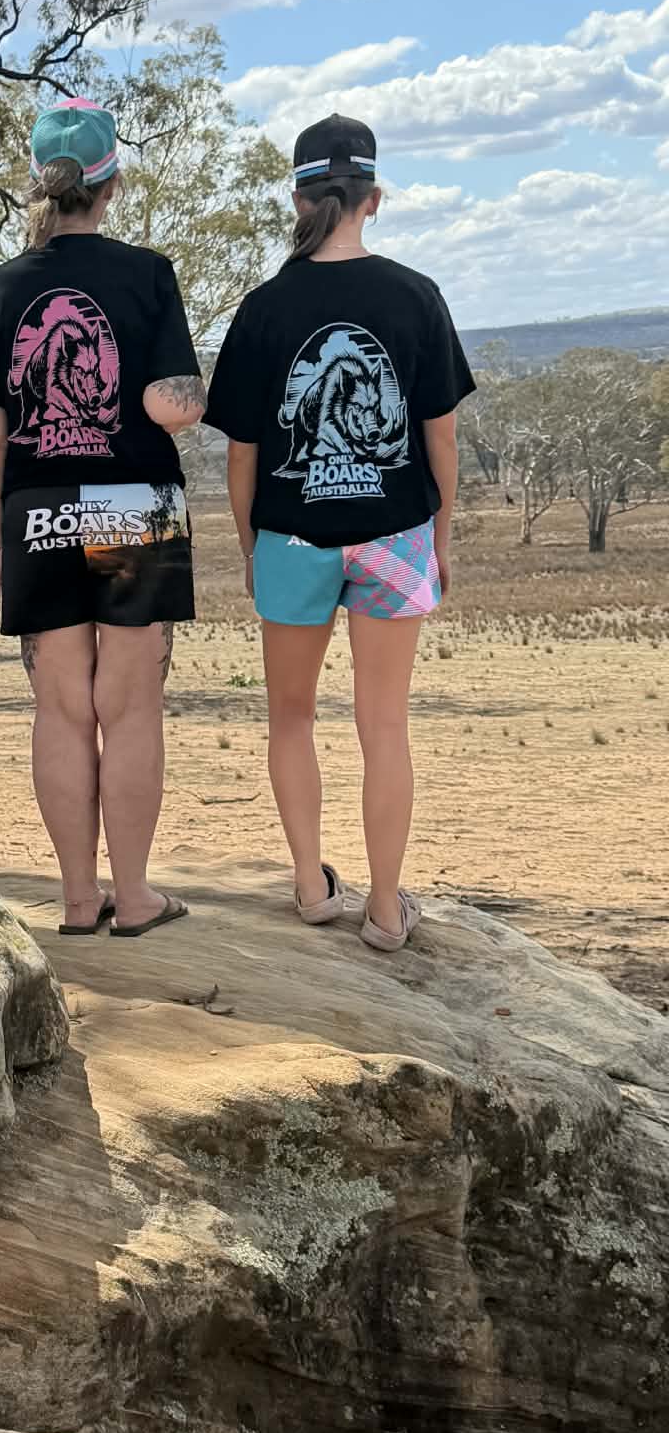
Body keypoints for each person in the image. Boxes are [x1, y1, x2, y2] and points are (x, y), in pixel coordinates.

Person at [205, 115, 475, 953]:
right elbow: (440, 438)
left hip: (290, 537)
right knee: (383, 724)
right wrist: (442, 531)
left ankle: (310, 883)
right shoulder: (415, 295)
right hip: (394, 534)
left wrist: (251, 548)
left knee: (290, 717)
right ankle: (387, 908)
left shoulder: (262, 309)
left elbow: (241, 455)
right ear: (375, 199)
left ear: (299, 198)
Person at [0, 99, 205, 936]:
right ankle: (134, 897)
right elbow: (172, 403)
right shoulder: (148, 274)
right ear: (111, 186)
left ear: (42, 185)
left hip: (38, 513)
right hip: (133, 508)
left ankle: (75, 898)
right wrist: (181, 396)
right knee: (130, 708)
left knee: (61, 709)